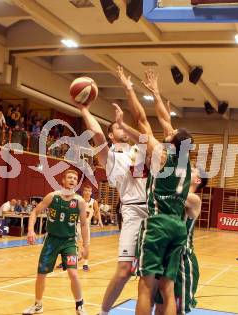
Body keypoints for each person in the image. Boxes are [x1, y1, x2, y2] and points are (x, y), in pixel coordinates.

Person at [112, 68, 196, 314]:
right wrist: (156, 94)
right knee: (167, 289)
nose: (167, 132)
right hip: (178, 228)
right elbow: (164, 120)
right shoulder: (185, 161)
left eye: (170, 134)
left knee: (146, 286)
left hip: (157, 224)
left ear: (172, 142)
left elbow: (142, 131)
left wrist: (121, 124)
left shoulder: (163, 155)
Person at [75, 83, 149, 314]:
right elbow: (96, 135)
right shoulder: (111, 157)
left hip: (156, 212)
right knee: (125, 269)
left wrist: (125, 121)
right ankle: (104, 311)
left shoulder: (138, 149)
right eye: (116, 127)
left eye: (122, 127)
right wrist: (84, 109)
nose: (121, 129)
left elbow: (146, 136)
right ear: (111, 134)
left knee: (153, 274)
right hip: (133, 211)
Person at [22, 170, 89, 315]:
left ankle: (80, 305)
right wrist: (30, 230)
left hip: (69, 242)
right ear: (63, 180)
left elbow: (84, 224)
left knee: (73, 273)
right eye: (70, 177)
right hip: (51, 241)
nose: (72, 180)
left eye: (75, 178)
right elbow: (34, 212)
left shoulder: (80, 202)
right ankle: (38, 305)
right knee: (41, 274)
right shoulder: (52, 197)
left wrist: (86, 245)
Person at [154, 167, 207, 315]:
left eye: (194, 169)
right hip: (164, 257)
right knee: (159, 306)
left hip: (182, 261)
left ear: (198, 180)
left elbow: (169, 192)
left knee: (176, 310)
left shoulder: (194, 200)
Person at [75, 185, 102, 271]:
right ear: (83, 192)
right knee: (73, 243)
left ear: (91, 192)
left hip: (86, 225)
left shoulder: (94, 202)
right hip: (77, 224)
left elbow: (97, 212)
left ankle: (85, 263)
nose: (87, 192)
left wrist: (100, 221)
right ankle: (74, 259)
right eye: (86, 190)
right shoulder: (79, 200)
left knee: (86, 245)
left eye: (89, 191)